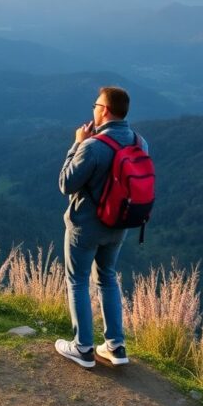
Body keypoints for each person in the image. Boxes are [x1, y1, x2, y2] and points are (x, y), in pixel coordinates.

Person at [56, 86, 148, 368]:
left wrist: (77, 144)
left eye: (96, 106)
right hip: (119, 225)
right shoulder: (140, 142)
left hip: (85, 227)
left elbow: (65, 183)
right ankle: (115, 347)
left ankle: (82, 348)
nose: (94, 110)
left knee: (78, 281)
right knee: (107, 278)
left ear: (105, 110)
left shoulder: (93, 146)